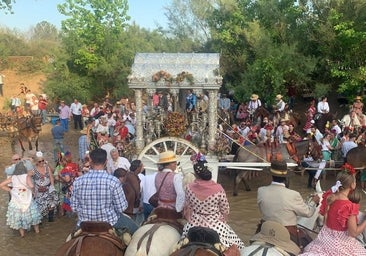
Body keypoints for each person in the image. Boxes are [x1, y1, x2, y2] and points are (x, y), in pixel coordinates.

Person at [182, 154, 245, 251]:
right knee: (240, 247)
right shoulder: (218, 189)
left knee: (179, 245)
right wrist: (222, 219)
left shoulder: (188, 188)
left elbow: (187, 207)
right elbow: (225, 209)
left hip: (193, 225)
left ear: (195, 173)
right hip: (216, 225)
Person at [300, 164, 366, 255]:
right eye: (355, 181)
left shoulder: (329, 197)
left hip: (325, 240)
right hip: (342, 244)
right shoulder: (350, 206)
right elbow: (353, 233)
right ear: (352, 185)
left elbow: (324, 222)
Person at [70, 148, 138, 236]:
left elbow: (74, 207)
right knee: (137, 231)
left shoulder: (78, 181)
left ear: (90, 161)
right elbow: (121, 208)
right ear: (106, 161)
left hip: (84, 224)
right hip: (110, 222)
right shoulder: (113, 181)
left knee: (69, 240)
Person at [257, 159, 320, 248]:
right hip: (286, 232)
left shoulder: (261, 191)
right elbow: (308, 213)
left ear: (271, 176)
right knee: (311, 246)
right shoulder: (293, 194)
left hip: (265, 229)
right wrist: (314, 202)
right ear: (286, 178)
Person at [0, 160, 41, 237]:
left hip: (16, 199)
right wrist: (33, 191)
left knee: (19, 217)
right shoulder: (26, 176)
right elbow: (31, 186)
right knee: (33, 216)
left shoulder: (13, 177)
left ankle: (22, 235)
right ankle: (37, 231)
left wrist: (10, 190)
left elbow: (1, 185)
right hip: (27, 198)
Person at [152, 151, 185, 217]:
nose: (176, 164)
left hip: (159, 207)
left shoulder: (157, 175)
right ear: (170, 164)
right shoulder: (176, 176)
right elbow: (181, 194)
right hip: (172, 208)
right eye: (175, 162)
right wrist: (178, 209)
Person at [31, 152, 58, 222]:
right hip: (39, 190)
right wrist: (33, 191)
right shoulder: (33, 169)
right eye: (40, 161)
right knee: (41, 206)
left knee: (51, 204)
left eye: (43, 160)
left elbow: (51, 177)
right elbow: (29, 179)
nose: (42, 162)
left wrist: (52, 187)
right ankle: (40, 220)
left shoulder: (47, 167)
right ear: (36, 162)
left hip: (48, 188)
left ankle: (50, 220)